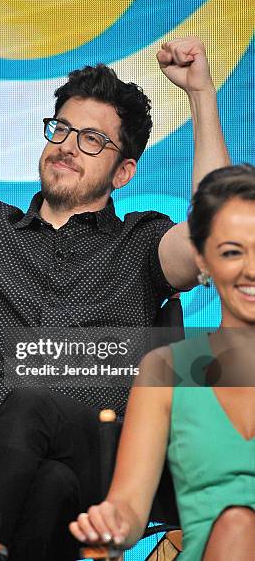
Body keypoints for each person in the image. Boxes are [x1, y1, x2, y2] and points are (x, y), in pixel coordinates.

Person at [0, 0, 231, 559]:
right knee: (45, 482)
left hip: (102, 466)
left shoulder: (141, 244)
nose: (67, 147)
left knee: (32, 408)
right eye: (61, 129)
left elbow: (212, 236)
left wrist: (201, 96)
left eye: (92, 140)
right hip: (0, 466)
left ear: (124, 171)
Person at [69, 164, 255, 560]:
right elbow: (129, 506)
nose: (251, 269)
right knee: (236, 524)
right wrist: (110, 522)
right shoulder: (166, 370)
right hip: (211, 549)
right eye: (232, 252)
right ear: (203, 262)